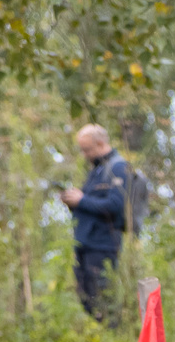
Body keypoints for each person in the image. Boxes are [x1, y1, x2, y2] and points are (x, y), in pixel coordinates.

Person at [59, 124, 147, 322]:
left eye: (87, 149)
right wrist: (73, 202)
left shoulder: (118, 168)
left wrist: (81, 200)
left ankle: (113, 334)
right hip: (85, 244)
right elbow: (92, 204)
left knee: (102, 300)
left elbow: (115, 205)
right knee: (86, 300)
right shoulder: (97, 170)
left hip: (102, 246)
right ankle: (99, 335)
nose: (85, 155)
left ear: (100, 143)